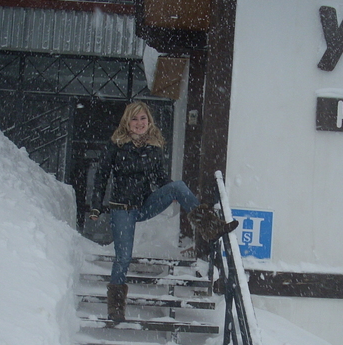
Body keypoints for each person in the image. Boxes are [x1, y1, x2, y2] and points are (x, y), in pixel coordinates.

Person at [89, 101, 238, 324]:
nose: (139, 123)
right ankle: (116, 308)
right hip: (122, 209)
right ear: (127, 122)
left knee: (178, 185)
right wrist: (96, 205)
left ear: (149, 122)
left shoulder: (154, 147)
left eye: (143, 119)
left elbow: (159, 179)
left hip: (144, 203)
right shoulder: (117, 144)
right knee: (123, 258)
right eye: (135, 119)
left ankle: (212, 227)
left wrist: (172, 192)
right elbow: (101, 175)